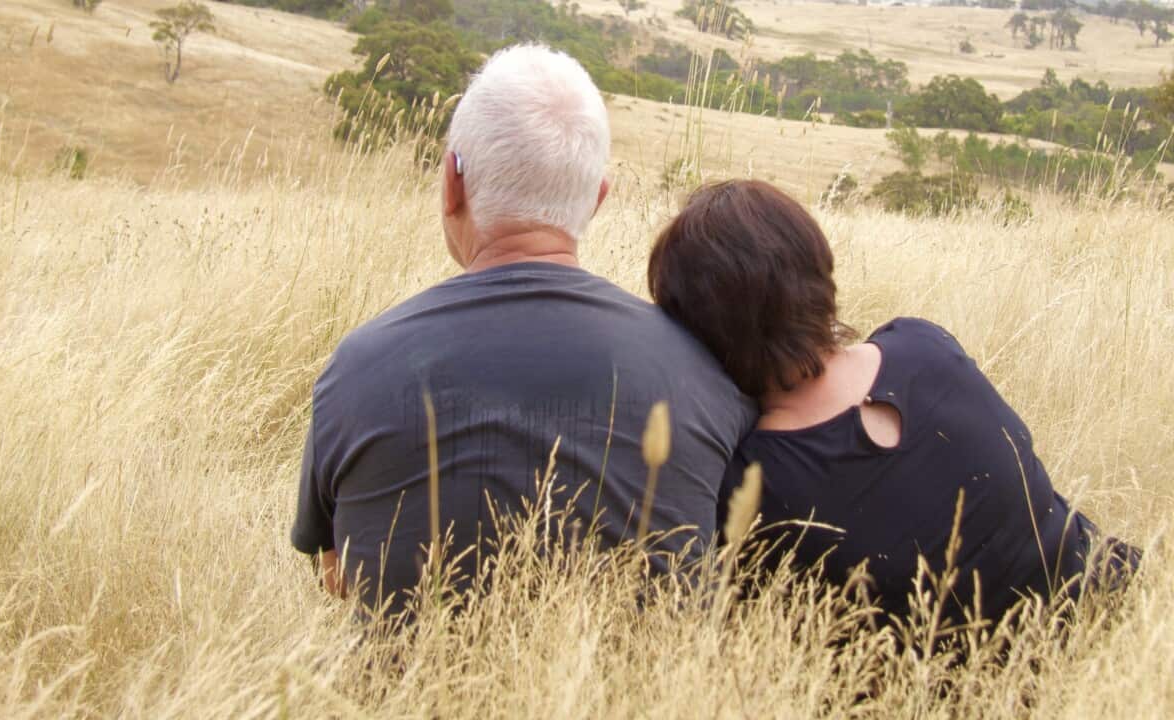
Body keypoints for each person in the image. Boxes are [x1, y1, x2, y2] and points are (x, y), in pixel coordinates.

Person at [291, 46, 756, 615]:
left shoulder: (357, 365)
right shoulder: (703, 373)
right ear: (597, 199)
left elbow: (338, 572)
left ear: (451, 183)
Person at [647, 179, 1140, 624]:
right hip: (1124, 607)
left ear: (697, 329)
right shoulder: (923, 346)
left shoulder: (752, 486)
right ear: (817, 268)